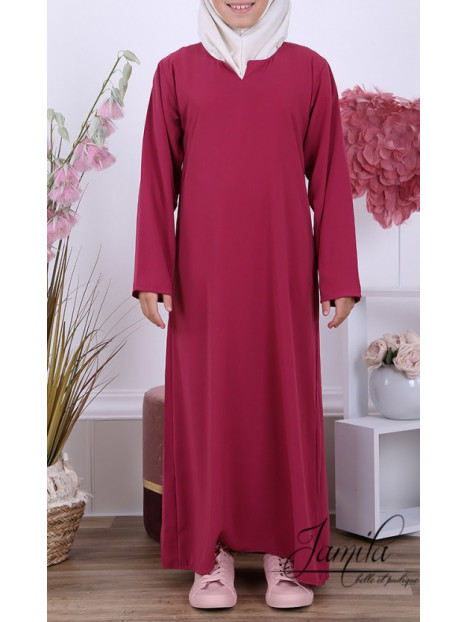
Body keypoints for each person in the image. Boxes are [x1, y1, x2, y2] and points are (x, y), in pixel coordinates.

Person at [132, 0, 361, 611]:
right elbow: (157, 176)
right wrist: (153, 270)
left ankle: (288, 551)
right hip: (201, 277)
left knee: (282, 401)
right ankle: (209, 555)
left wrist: (338, 275)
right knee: (207, 405)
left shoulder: (310, 71)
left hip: (283, 272)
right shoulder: (175, 72)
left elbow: (329, 177)